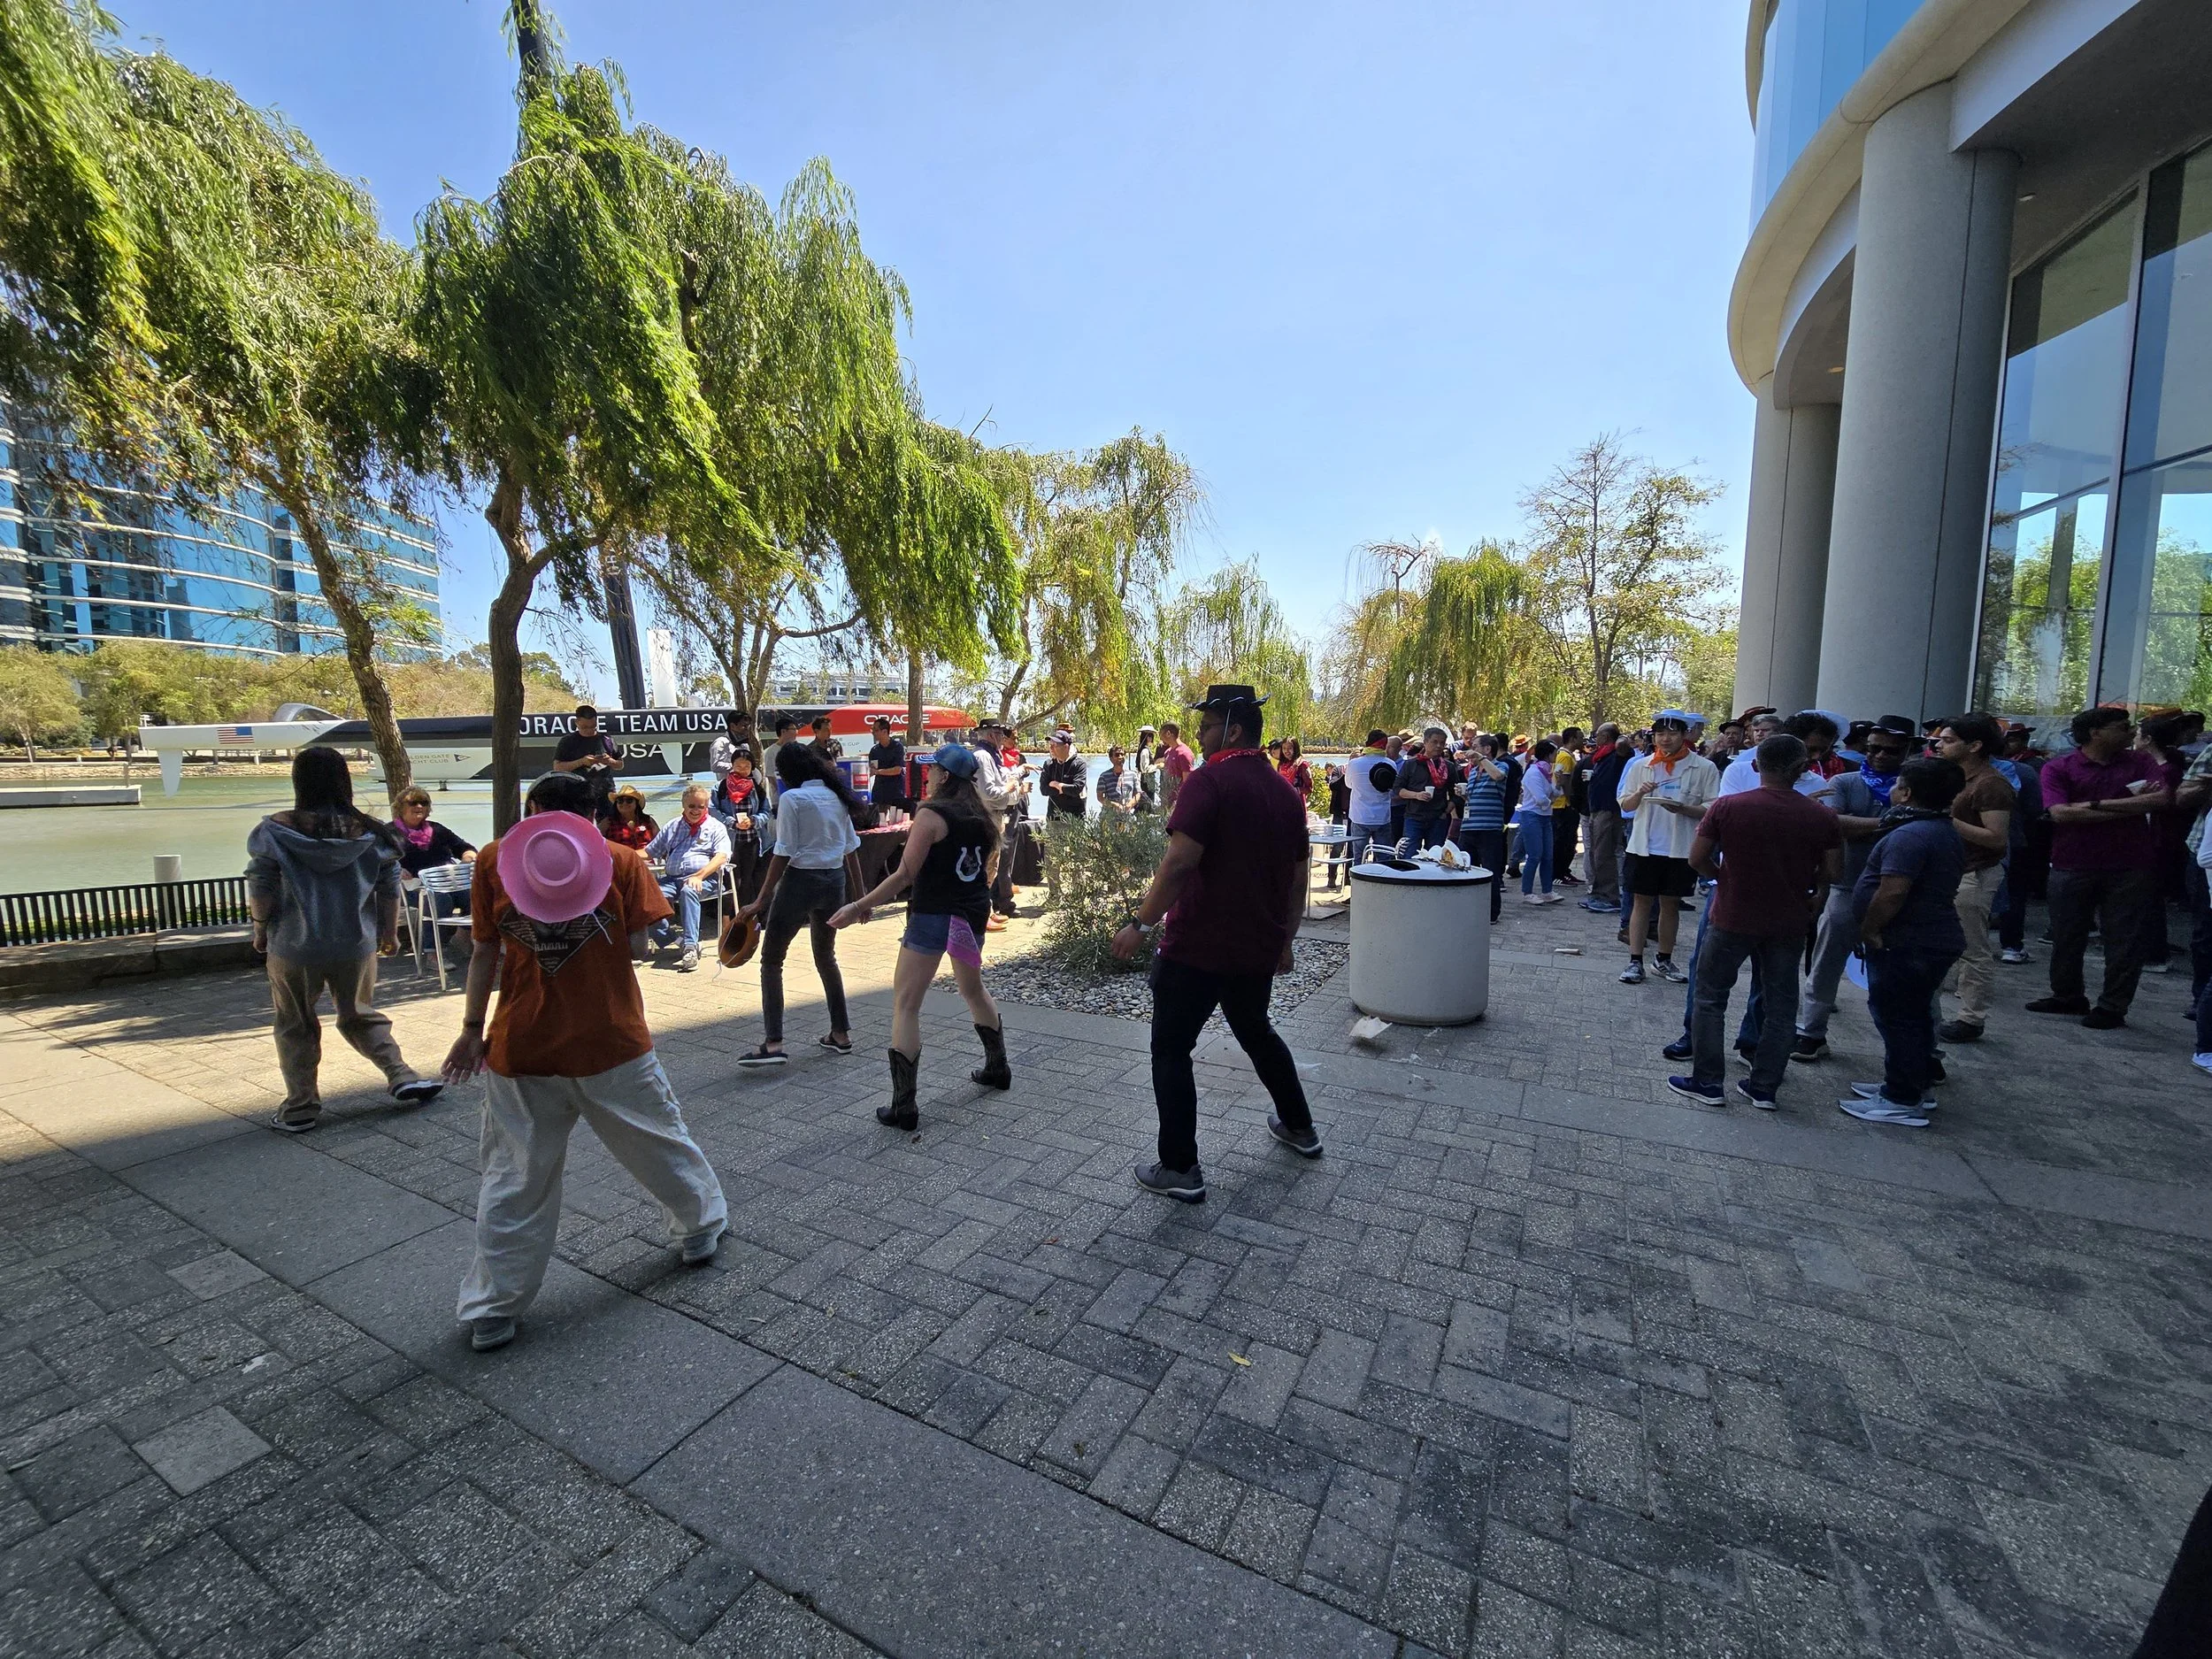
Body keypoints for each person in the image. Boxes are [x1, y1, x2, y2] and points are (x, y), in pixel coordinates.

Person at [440, 771, 726, 1352]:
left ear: (535, 807)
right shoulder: (620, 860)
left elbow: (484, 951)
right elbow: (645, 945)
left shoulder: (495, 859)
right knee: (658, 1141)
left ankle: (492, 1308)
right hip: (611, 1039)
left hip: (520, 1046)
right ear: (592, 812)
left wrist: (472, 1029)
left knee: (515, 1177)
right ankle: (698, 1231)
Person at [1110, 685, 1320, 1202]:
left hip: (1196, 947)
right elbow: (1299, 880)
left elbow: (1179, 863)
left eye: (1206, 726)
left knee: (1170, 1049)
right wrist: (1285, 941)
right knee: (1256, 1033)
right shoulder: (1286, 795)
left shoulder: (1208, 783)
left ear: (1233, 728)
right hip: (1254, 949)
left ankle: (1180, 1167)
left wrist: (1139, 923)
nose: (1199, 736)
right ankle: (1299, 1127)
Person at [247, 748, 443, 1133]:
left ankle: (301, 1106)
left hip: (293, 944)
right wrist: (388, 932)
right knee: (359, 1014)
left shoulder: (273, 831)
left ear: (298, 781)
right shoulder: (372, 833)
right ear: (345, 781)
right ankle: (401, 1075)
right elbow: (389, 889)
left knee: (295, 1024)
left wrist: (259, 930)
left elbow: (262, 885)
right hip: (356, 943)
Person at [832, 742, 1010, 1127]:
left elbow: (904, 875)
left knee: (907, 1004)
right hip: (971, 913)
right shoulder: (983, 816)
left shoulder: (931, 815)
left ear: (944, 777)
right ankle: (998, 1066)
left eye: (932, 770)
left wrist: (857, 906)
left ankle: (904, 1105)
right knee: (973, 989)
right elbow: (986, 873)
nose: (926, 774)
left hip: (934, 914)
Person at [1668, 734, 1841, 1110]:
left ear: (1756, 766)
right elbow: (1832, 869)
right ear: (1802, 768)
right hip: (1790, 919)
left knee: (1711, 996)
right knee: (1780, 1003)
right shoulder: (1821, 815)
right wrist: (1818, 893)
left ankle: (1708, 1081)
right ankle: (1764, 1086)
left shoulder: (1729, 807)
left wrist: (1722, 877)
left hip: (1732, 913)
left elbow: (1697, 859)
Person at [1840, 757, 1968, 1127]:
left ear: (1907, 793)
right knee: (1911, 1016)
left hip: (1910, 941)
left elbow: (1892, 891)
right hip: (1920, 939)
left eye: (1898, 784)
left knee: (1901, 1019)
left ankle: (1902, 1098)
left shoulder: (1912, 834)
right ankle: (1912, 1083)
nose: (1892, 789)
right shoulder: (1933, 828)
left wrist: (1870, 928)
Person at [2030, 707, 2171, 1029]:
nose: (2130, 731)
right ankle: (2067, 996)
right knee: (2066, 936)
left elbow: (2161, 800)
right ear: (2096, 732)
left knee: (2124, 941)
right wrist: (2130, 807)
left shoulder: (2140, 761)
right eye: (2122, 727)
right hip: (2071, 863)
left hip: (2131, 866)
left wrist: (2091, 806)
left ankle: (2112, 1007)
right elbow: (2060, 814)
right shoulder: (2059, 767)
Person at [732, 745, 864, 1064]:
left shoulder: (792, 799)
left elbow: (784, 851)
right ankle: (840, 1034)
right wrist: (861, 900)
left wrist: (761, 899)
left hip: (799, 882)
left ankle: (773, 1043)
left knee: (772, 959)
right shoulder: (837, 797)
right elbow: (851, 850)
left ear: (788, 772)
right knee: (826, 958)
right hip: (834, 882)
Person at [1792, 719, 1906, 1061]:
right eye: (1873, 748)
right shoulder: (1844, 780)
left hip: (1901, 891)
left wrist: (1862, 826)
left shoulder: (1917, 784)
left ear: (1907, 751)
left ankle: (1921, 1050)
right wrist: (1893, 823)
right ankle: (1811, 1032)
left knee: (1905, 972)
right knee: (1824, 964)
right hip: (1847, 887)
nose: (1880, 755)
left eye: (1891, 750)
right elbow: (1833, 823)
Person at [1617, 714, 1719, 984]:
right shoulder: (1642, 766)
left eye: (1673, 734)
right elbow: (1626, 805)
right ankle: (1635, 961)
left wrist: (1684, 809)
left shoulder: (1703, 767)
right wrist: (1640, 793)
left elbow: (1713, 807)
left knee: (1670, 904)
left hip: (1680, 848)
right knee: (1640, 901)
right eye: (1660, 734)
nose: (1666, 738)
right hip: (1644, 846)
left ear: (1684, 735)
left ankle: (1663, 959)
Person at [1934, 715, 2015, 1044]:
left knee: (1973, 947)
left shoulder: (1991, 784)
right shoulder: (1957, 777)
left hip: (1974, 873)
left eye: (1948, 740)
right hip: (1951, 870)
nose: (1938, 745)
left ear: (1975, 746)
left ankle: (1971, 1017)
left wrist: (1946, 821)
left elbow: (1997, 838)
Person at [643, 785, 731, 972]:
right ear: (683, 805)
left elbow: (722, 856)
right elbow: (649, 852)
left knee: (688, 889)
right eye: (692, 806)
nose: (696, 810)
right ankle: (675, 939)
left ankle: (691, 947)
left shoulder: (715, 827)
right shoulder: (672, 826)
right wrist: (619, 855)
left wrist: (699, 875)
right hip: (672, 879)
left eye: (701, 806)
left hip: (706, 879)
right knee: (643, 897)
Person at [393, 785, 477, 967]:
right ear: (400, 806)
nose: (420, 806)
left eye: (424, 802)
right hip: (413, 887)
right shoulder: (389, 833)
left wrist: (468, 857)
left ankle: (465, 935)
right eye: (413, 802)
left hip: (450, 881)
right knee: (439, 900)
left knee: (476, 896)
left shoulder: (438, 830)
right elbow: (376, 861)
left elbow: (465, 848)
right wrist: (395, 869)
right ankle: (433, 955)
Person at [1455, 734, 1511, 924]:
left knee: (1491, 870)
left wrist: (1481, 760)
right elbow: (1473, 799)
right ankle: (1466, 908)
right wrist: (1464, 796)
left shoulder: (1500, 766)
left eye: (1476, 746)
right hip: (1469, 827)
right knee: (1463, 867)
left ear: (1487, 749)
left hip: (1489, 829)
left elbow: (1498, 776)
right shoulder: (1472, 771)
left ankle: (1492, 912)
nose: (1471, 749)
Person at [1578, 725, 1629, 914]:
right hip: (1596, 809)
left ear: (1606, 736)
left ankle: (1610, 896)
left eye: (1597, 735)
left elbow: (1624, 745)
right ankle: (1598, 893)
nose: (1594, 739)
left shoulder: (1617, 753)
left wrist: (1620, 738)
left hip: (1608, 810)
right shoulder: (1601, 756)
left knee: (1604, 853)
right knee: (1595, 853)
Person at [709, 753, 769, 905]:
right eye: (739, 766)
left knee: (749, 879)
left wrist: (754, 820)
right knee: (732, 880)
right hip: (730, 841)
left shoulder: (756, 788)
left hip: (752, 840)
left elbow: (766, 812)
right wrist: (731, 822)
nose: (742, 770)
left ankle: (749, 915)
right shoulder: (721, 787)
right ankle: (732, 915)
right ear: (732, 766)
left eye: (747, 767)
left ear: (752, 768)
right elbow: (712, 810)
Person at [1513, 739, 1563, 903]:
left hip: (1545, 817)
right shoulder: (1534, 772)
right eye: (1555, 753)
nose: (1556, 756)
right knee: (1534, 855)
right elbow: (1541, 799)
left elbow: (1554, 793)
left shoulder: (1547, 772)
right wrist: (1550, 800)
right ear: (1548, 754)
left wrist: (1558, 786)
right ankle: (1527, 892)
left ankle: (1547, 890)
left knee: (1548, 855)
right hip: (1532, 816)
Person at [1343, 729, 1397, 875]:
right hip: (1383, 817)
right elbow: (1392, 790)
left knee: (1358, 858)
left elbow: (1348, 784)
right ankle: (1382, 892)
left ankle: (1357, 893)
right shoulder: (1391, 764)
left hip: (1360, 817)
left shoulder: (1355, 764)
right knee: (1384, 858)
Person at [1395, 726, 1457, 853]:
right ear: (1425, 742)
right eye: (1434, 742)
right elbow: (1398, 789)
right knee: (1410, 856)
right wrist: (1416, 795)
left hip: (1438, 818)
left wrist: (1446, 811)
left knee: (1434, 857)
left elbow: (1455, 794)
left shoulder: (1448, 766)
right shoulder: (1411, 764)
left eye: (1442, 743)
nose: (1439, 746)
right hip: (1414, 817)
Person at [553, 705, 622, 807]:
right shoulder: (567, 741)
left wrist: (609, 761)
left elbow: (620, 765)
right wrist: (581, 762)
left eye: (593, 726)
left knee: (608, 822)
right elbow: (557, 768)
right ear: (577, 723)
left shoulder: (607, 739)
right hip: (577, 793)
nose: (589, 730)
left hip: (605, 793)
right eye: (585, 727)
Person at [1551, 727, 1586, 887]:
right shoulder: (1564, 756)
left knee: (1570, 841)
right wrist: (1571, 800)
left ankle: (1564, 870)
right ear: (1572, 739)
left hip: (1565, 804)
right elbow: (1564, 781)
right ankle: (1557, 874)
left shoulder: (1568, 755)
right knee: (1563, 841)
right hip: (1563, 805)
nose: (1583, 740)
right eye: (1580, 737)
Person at [1040, 729, 1087, 821]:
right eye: (1050, 745)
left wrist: (1057, 785)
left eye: (1055, 745)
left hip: (1075, 819)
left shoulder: (1079, 764)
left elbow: (1076, 789)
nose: (1051, 748)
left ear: (1066, 747)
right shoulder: (1049, 764)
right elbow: (1044, 790)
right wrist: (1064, 789)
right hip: (1053, 818)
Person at [864, 714, 907, 812]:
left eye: (876, 730)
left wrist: (878, 772)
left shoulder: (897, 747)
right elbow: (872, 770)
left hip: (896, 794)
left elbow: (897, 770)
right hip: (879, 794)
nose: (873, 733)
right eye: (872, 730)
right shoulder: (874, 750)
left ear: (885, 732)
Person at [601, 785, 657, 852]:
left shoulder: (648, 821)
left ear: (636, 804)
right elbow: (596, 841)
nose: (624, 803)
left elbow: (661, 841)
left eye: (629, 800)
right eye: (620, 801)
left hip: (645, 860)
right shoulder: (608, 822)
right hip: (620, 861)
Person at [760, 715, 800, 805]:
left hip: (798, 797)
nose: (796, 732)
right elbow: (771, 777)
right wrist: (785, 792)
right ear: (783, 731)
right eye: (793, 729)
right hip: (780, 800)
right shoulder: (771, 752)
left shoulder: (797, 749)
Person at [1156, 720, 1195, 811]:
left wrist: (1177, 802)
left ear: (1168, 733)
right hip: (1166, 801)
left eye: (1161, 735)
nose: (1161, 738)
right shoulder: (1168, 752)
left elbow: (1187, 782)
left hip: (1178, 804)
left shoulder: (1184, 753)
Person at [710, 710, 757, 782]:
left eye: (748, 726)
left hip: (745, 786)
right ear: (732, 726)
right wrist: (738, 766)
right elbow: (715, 766)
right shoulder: (720, 743)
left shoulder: (744, 745)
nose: (747, 729)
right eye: (744, 726)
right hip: (727, 788)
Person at [1097, 745, 1141, 814]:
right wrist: (1114, 805)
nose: (1120, 757)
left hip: (1128, 816)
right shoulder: (1104, 776)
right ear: (1111, 758)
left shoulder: (1133, 775)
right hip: (1109, 816)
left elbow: (1138, 794)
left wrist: (1130, 805)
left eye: (1122, 754)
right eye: (1117, 755)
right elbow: (1100, 797)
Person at [1133, 726, 1162, 813]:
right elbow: (1144, 769)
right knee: (1148, 800)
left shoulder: (1143, 749)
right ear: (1148, 737)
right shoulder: (1145, 751)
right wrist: (1157, 766)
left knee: (1146, 801)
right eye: (1151, 737)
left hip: (1146, 780)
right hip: (1147, 780)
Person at [1276, 737, 1313, 803]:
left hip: (1297, 802)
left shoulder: (1302, 765)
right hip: (1282, 802)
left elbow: (1309, 789)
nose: (1286, 751)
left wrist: (1294, 790)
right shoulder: (1281, 765)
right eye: (1284, 748)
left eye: (1289, 748)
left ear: (1295, 749)